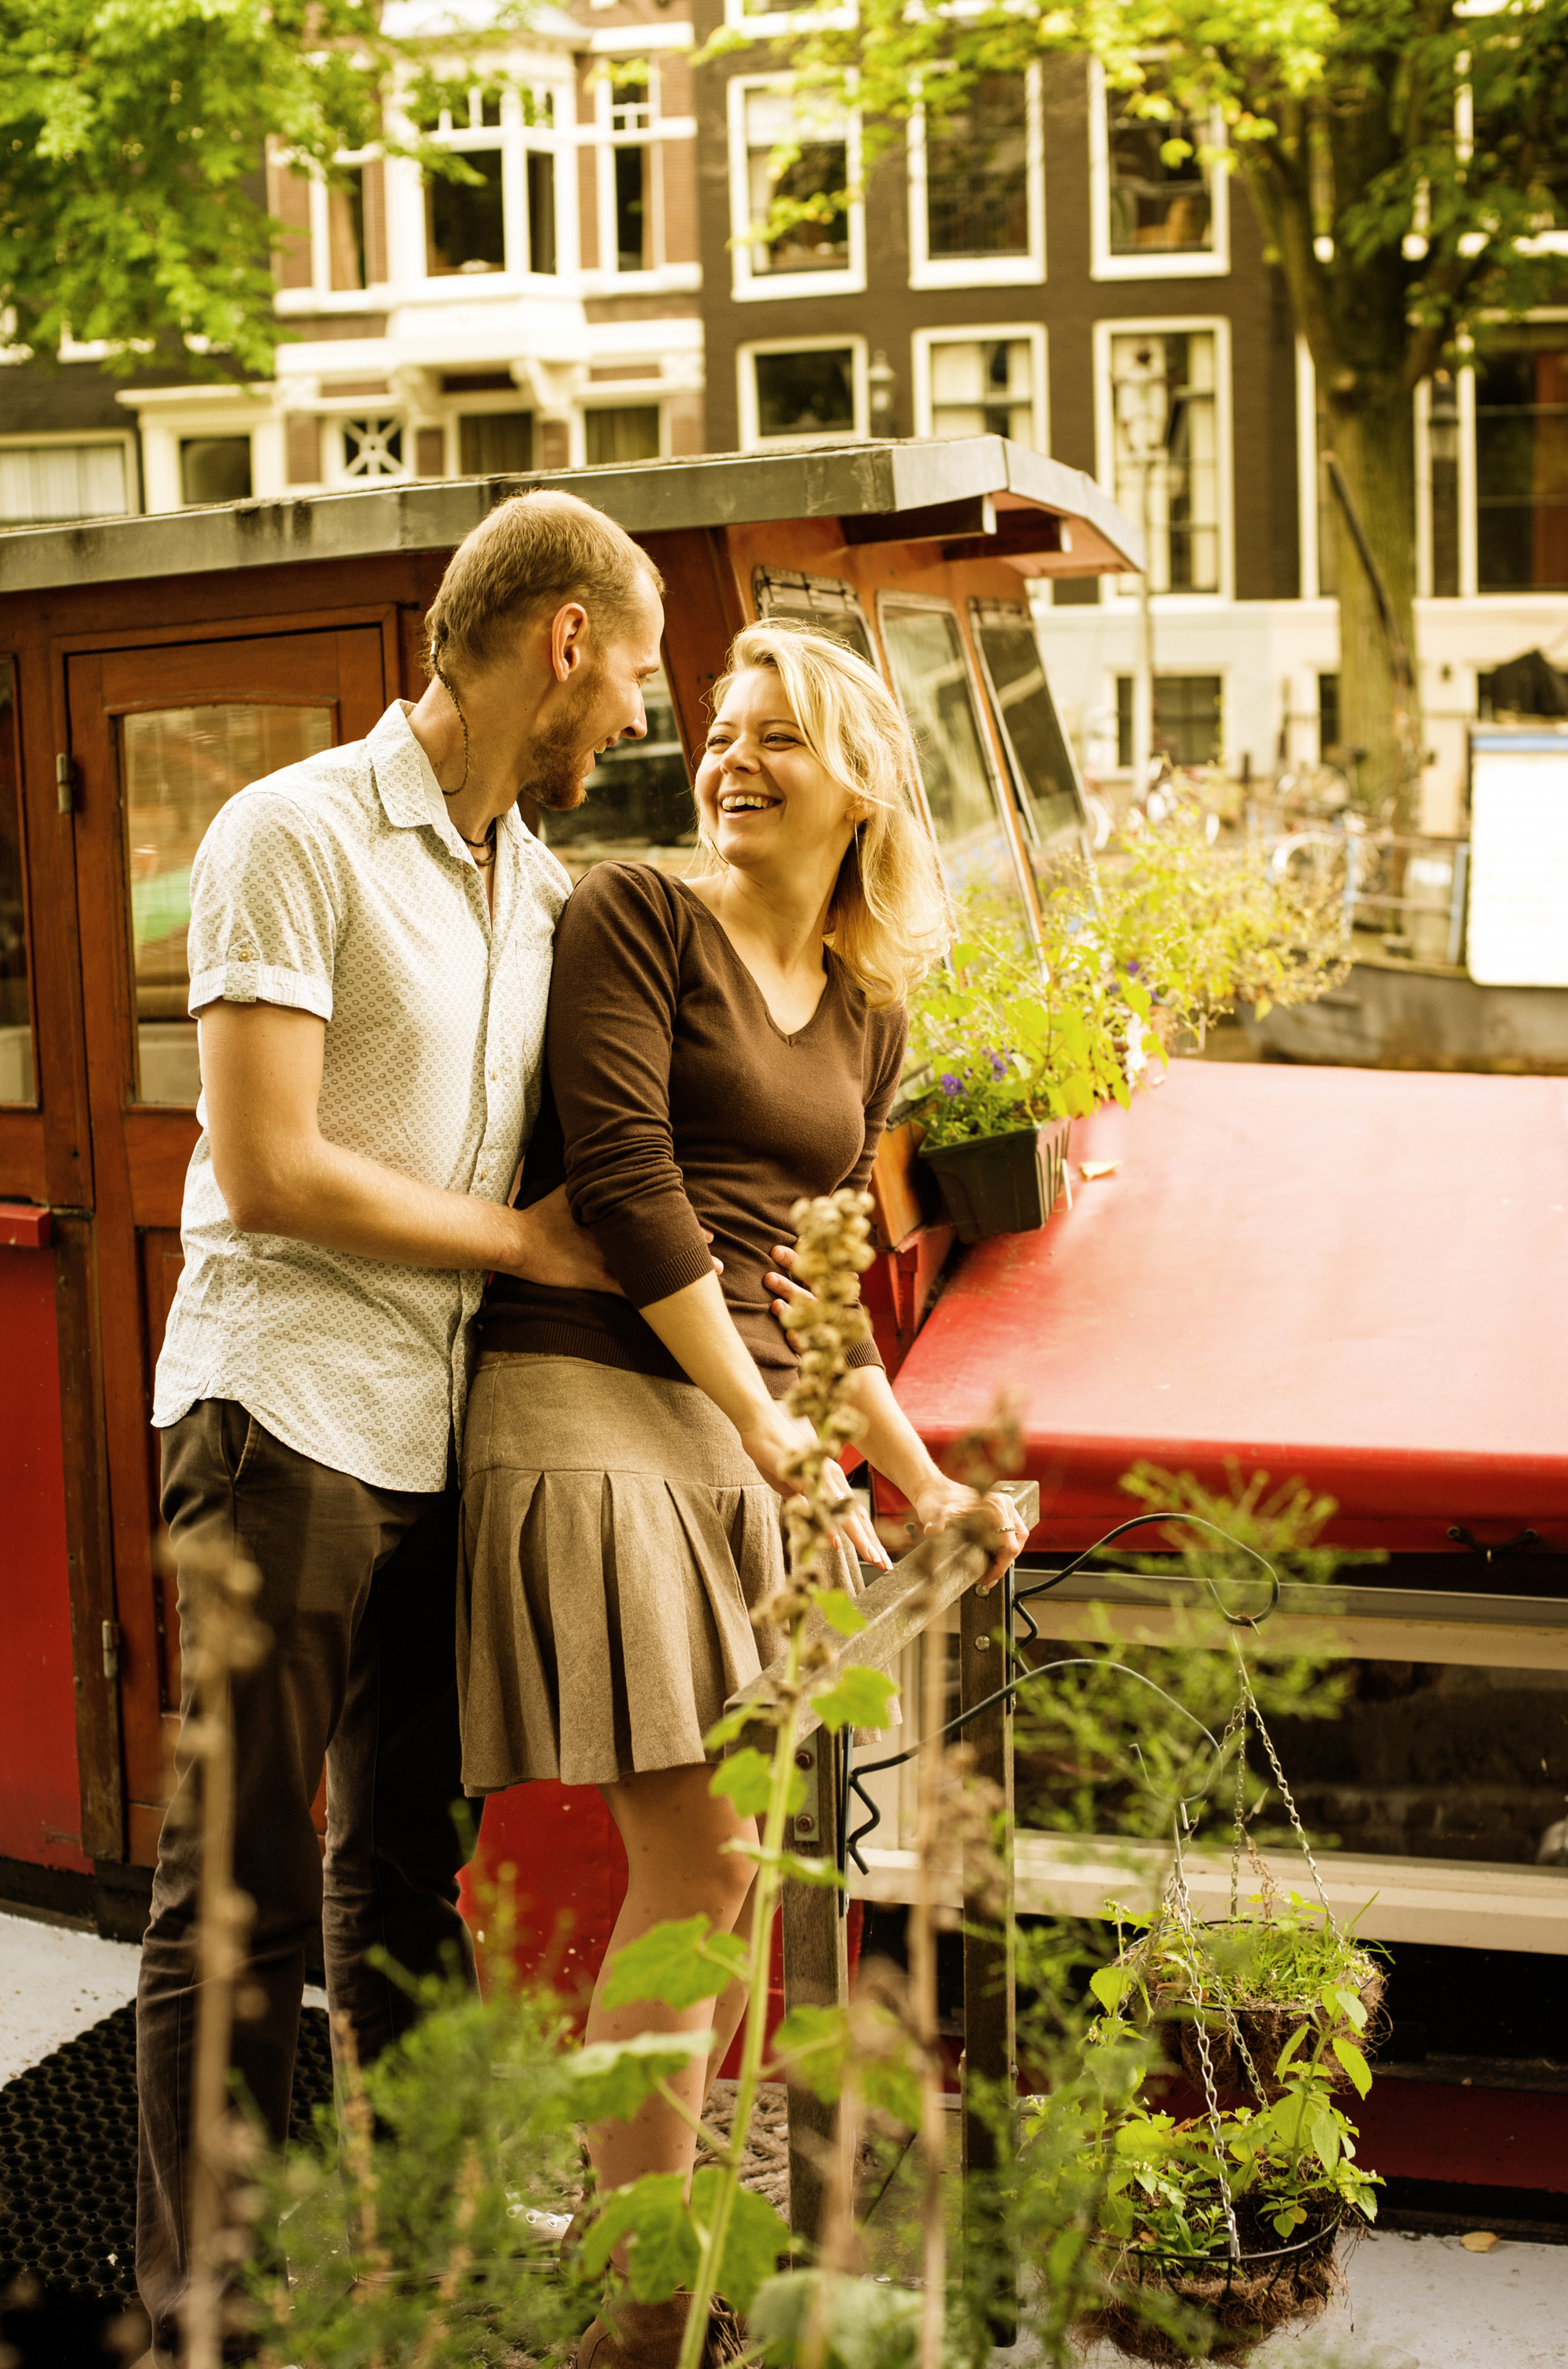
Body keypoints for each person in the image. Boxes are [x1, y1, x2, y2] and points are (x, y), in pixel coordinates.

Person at [457, 622, 1030, 2369]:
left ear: (860, 789)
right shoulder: (635, 913)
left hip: (741, 1427)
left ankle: (647, 2242)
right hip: (589, 1394)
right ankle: (649, 2308)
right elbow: (630, 1186)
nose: (728, 757)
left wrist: (920, 1477)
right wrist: (780, 1437)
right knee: (702, 1858)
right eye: (717, 726)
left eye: (776, 734)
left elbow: (815, 1281)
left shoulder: (869, 1012)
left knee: (736, 1874)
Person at [138, 490, 665, 2363]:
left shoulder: (541, 890)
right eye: (638, 670)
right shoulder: (290, 833)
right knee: (239, 1883)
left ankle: (417, 2239)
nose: (639, 715)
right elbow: (267, 1166)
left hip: (438, 1435)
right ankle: (204, 2308)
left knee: (405, 1869)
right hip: (280, 1408)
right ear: (565, 640)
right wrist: (524, 1244)